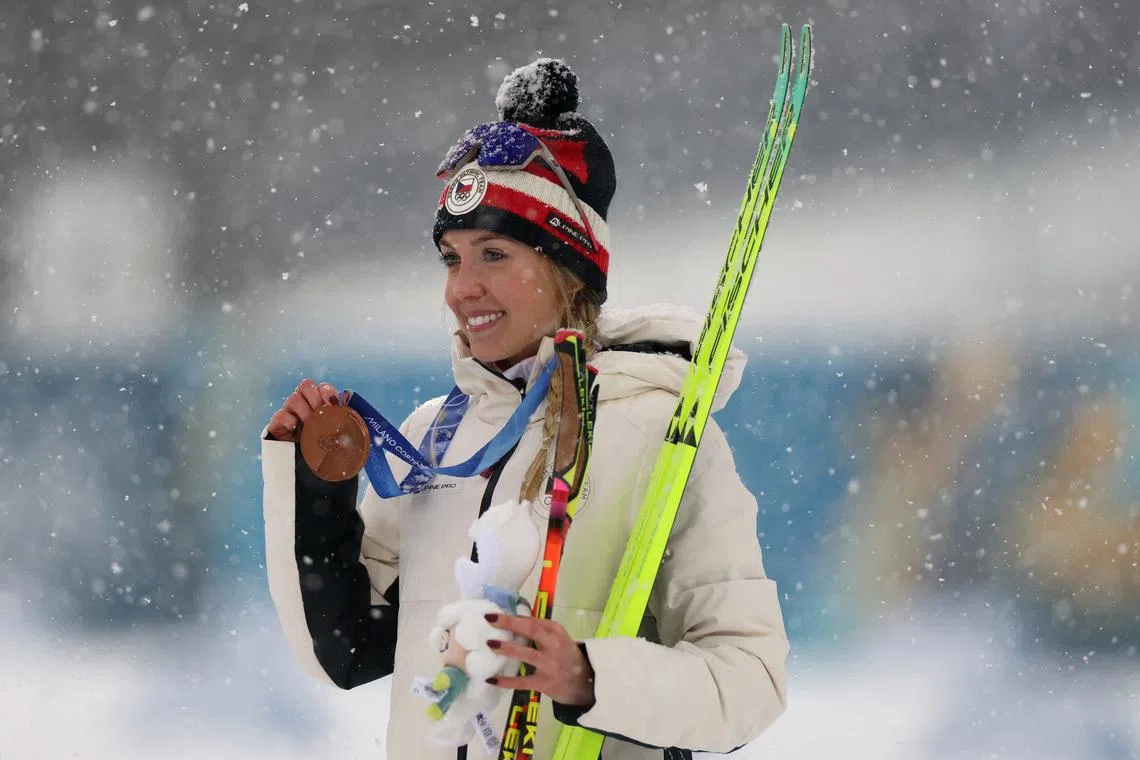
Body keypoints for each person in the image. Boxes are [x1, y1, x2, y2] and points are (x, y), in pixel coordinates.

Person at [261, 58, 788, 760]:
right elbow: (349, 650)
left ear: (567, 268)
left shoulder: (663, 432)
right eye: (451, 258)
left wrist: (588, 678)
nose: (461, 289)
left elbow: (748, 680)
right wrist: (318, 491)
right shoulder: (434, 437)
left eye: (494, 254)